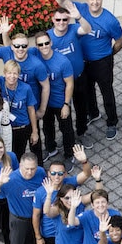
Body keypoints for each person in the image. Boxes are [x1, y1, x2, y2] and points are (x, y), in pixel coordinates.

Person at [56, 0, 122, 142]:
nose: (94, 2)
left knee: (106, 92)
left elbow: (121, 41)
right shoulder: (81, 9)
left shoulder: (110, 20)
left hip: (102, 62)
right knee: (87, 91)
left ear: (102, 0)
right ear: (87, 0)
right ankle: (93, 113)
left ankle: (112, 121)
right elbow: (60, 1)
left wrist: (109, 55)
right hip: (83, 62)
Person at [33, 145, 94, 244]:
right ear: (48, 174)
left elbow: (87, 174)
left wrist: (84, 160)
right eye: (53, 173)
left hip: (68, 232)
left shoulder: (69, 185)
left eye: (60, 173)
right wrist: (38, 236)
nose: (57, 176)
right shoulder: (42, 191)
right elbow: (37, 215)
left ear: (65, 174)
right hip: (50, 233)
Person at [0, 20, 49, 128]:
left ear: (27, 46)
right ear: (12, 47)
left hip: (29, 102)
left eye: (24, 46)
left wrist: (42, 110)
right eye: (17, 46)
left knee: (33, 132)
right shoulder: (7, 51)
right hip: (9, 104)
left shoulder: (36, 64)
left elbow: (46, 86)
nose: (20, 49)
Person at [46, 4, 92, 147]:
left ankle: (81, 132)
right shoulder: (48, 37)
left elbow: (87, 29)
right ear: (53, 20)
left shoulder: (73, 30)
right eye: (58, 20)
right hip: (59, 83)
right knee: (61, 112)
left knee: (81, 107)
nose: (61, 23)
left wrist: (78, 17)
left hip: (78, 77)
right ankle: (62, 139)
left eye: (65, 20)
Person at [31, 31, 75, 168]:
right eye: (40, 44)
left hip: (60, 101)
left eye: (46, 43)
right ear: (36, 46)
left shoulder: (62, 61)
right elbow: (13, 49)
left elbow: (69, 83)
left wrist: (66, 104)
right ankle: (51, 148)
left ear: (51, 43)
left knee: (66, 128)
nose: (44, 46)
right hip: (44, 101)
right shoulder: (34, 54)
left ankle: (69, 154)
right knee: (47, 127)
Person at [0, 60, 40, 163]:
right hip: (5, 127)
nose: (12, 76)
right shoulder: (0, 82)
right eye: (9, 73)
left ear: (19, 75)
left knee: (17, 155)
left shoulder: (25, 88)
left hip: (21, 127)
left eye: (15, 73)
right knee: (4, 153)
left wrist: (34, 131)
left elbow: (31, 110)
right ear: (4, 73)